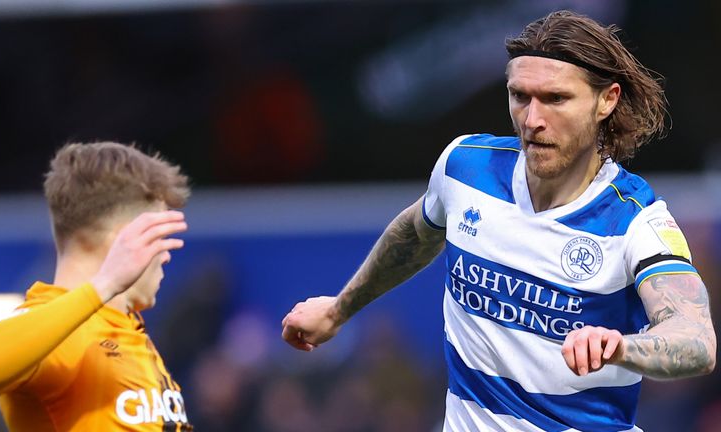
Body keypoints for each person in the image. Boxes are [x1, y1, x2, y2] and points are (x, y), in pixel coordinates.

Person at [281, 10, 716, 432]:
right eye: (520, 96)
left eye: (556, 99)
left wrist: (623, 347)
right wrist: (339, 309)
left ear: (607, 100)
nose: (533, 120)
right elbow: (415, 232)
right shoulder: (464, 168)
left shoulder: (637, 220)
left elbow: (696, 339)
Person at [0, 142, 193, 431]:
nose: (166, 255)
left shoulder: (125, 329)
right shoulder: (61, 334)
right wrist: (105, 284)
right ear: (123, 241)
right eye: (156, 238)